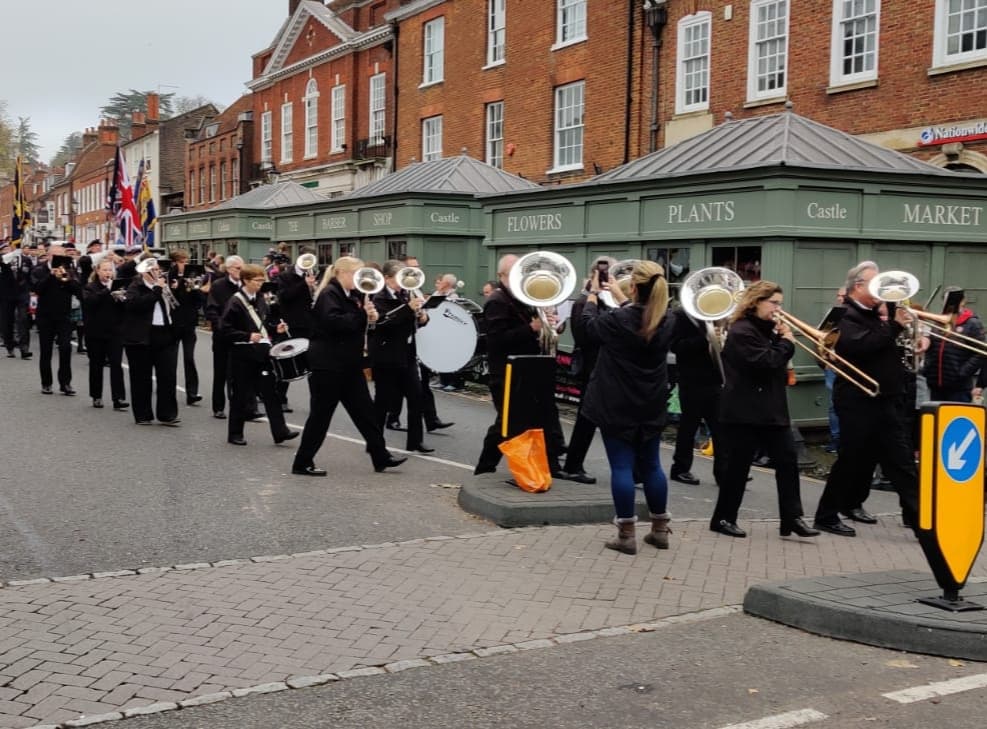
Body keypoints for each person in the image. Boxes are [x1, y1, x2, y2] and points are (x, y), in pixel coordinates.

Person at [813, 261, 920, 536]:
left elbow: (881, 346)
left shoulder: (875, 313)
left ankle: (920, 519)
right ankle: (826, 515)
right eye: (875, 285)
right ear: (858, 286)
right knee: (851, 460)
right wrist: (894, 327)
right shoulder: (845, 315)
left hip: (884, 398)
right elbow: (858, 346)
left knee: (901, 461)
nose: (881, 291)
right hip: (857, 399)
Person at [710, 281, 819, 539]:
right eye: (774, 303)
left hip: (771, 409)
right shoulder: (742, 331)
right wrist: (787, 343)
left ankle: (792, 518)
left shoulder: (768, 330)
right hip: (744, 410)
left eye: (779, 303)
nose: (778, 309)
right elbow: (765, 362)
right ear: (756, 302)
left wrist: (781, 338)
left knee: (788, 462)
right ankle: (723, 518)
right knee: (738, 467)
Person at [581, 260, 675, 554]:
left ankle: (626, 535)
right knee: (652, 465)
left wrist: (593, 295)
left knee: (621, 466)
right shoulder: (668, 319)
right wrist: (623, 300)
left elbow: (587, 328)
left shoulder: (618, 320)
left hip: (617, 401)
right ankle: (660, 530)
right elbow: (639, 316)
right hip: (652, 401)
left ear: (633, 287)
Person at [291, 256, 407, 476]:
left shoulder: (352, 295)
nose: (359, 280)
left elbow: (356, 323)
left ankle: (380, 456)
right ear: (341, 274)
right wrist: (362, 314)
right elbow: (336, 323)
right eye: (356, 275)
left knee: (366, 413)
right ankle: (302, 462)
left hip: (348, 365)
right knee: (320, 417)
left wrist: (371, 317)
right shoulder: (329, 294)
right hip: (328, 365)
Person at [473, 254, 566, 477]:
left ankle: (552, 466)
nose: (520, 278)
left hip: (529, 368)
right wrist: (532, 328)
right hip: (505, 371)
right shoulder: (497, 301)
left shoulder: (527, 298)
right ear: (501, 276)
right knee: (506, 423)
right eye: (513, 273)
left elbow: (539, 328)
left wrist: (552, 325)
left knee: (539, 417)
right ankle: (484, 468)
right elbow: (496, 340)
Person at [219, 264, 298, 446]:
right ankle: (235, 434)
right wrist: (246, 336)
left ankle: (280, 431)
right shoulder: (235, 302)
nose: (261, 284)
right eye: (257, 281)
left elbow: (263, 324)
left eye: (262, 280)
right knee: (240, 395)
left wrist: (274, 328)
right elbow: (224, 329)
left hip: (261, 352)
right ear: (246, 280)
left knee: (271, 393)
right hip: (242, 353)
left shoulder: (260, 299)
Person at [560, 257, 621, 485]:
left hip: (610, 367)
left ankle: (632, 468)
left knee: (612, 419)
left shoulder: (611, 301)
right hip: (592, 367)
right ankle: (573, 465)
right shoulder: (582, 302)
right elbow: (584, 336)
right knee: (587, 419)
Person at [370, 260, 434, 454]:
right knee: (382, 401)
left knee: (416, 397)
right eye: (399, 279)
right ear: (387, 278)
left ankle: (415, 441)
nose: (403, 283)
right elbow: (383, 322)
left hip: (407, 353)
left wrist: (423, 317)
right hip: (386, 354)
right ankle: (374, 442)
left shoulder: (407, 293)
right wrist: (408, 308)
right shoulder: (377, 296)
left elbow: (412, 319)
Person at [667, 306, 727, 487]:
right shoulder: (680, 315)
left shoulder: (716, 311)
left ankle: (723, 472)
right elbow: (677, 346)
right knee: (688, 426)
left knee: (721, 428)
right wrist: (706, 339)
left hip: (715, 379)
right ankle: (680, 469)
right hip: (691, 379)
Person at [121, 258, 180, 426]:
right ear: (144, 273)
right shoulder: (135, 287)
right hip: (143, 336)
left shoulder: (164, 286)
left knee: (167, 376)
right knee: (141, 377)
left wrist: (175, 290)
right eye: (154, 270)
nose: (158, 273)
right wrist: (156, 290)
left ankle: (167, 414)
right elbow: (135, 305)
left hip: (165, 332)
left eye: (158, 269)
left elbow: (175, 307)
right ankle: (143, 414)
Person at [30, 243, 81, 395]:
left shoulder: (69, 268)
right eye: (55, 255)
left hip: (64, 315)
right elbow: (37, 289)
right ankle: (46, 383)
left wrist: (67, 278)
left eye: (61, 255)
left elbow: (78, 289)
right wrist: (51, 276)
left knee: (66, 348)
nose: (59, 258)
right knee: (46, 350)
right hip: (45, 315)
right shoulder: (39, 269)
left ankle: (65, 383)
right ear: (49, 255)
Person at [921, 287, 987, 403]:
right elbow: (931, 347)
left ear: (963, 301)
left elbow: (981, 352)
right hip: (935, 383)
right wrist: (928, 367)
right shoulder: (938, 322)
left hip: (959, 388)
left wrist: (962, 372)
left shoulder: (972, 323)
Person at [82, 258, 128, 410]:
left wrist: (122, 298)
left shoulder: (118, 286)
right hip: (95, 332)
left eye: (110, 270)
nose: (108, 273)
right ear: (97, 271)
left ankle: (119, 398)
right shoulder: (90, 287)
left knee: (116, 364)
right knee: (96, 365)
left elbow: (125, 308)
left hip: (115, 331)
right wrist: (107, 290)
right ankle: (96, 396)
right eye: (105, 270)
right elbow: (90, 303)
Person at [205, 255, 244, 419]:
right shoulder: (219, 285)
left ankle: (245, 407)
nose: (241, 271)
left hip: (242, 334)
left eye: (242, 268)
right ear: (228, 269)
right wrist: (220, 325)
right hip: (223, 335)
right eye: (237, 268)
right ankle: (218, 407)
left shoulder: (245, 285)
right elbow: (211, 309)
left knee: (241, 374)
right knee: (221, 372)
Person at [167, 250, 204, 406]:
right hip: (173, 323)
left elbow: (200, 302)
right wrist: (176, 287)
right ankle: (169, 390)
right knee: (171, 360)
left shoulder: (192, 276)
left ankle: (192, 393)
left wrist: (195, 289)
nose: (185, 264)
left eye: (186, 261)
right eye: (182, 261)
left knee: (189, 358)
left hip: (189, 323)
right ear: (175, 262)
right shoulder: (168, 276)